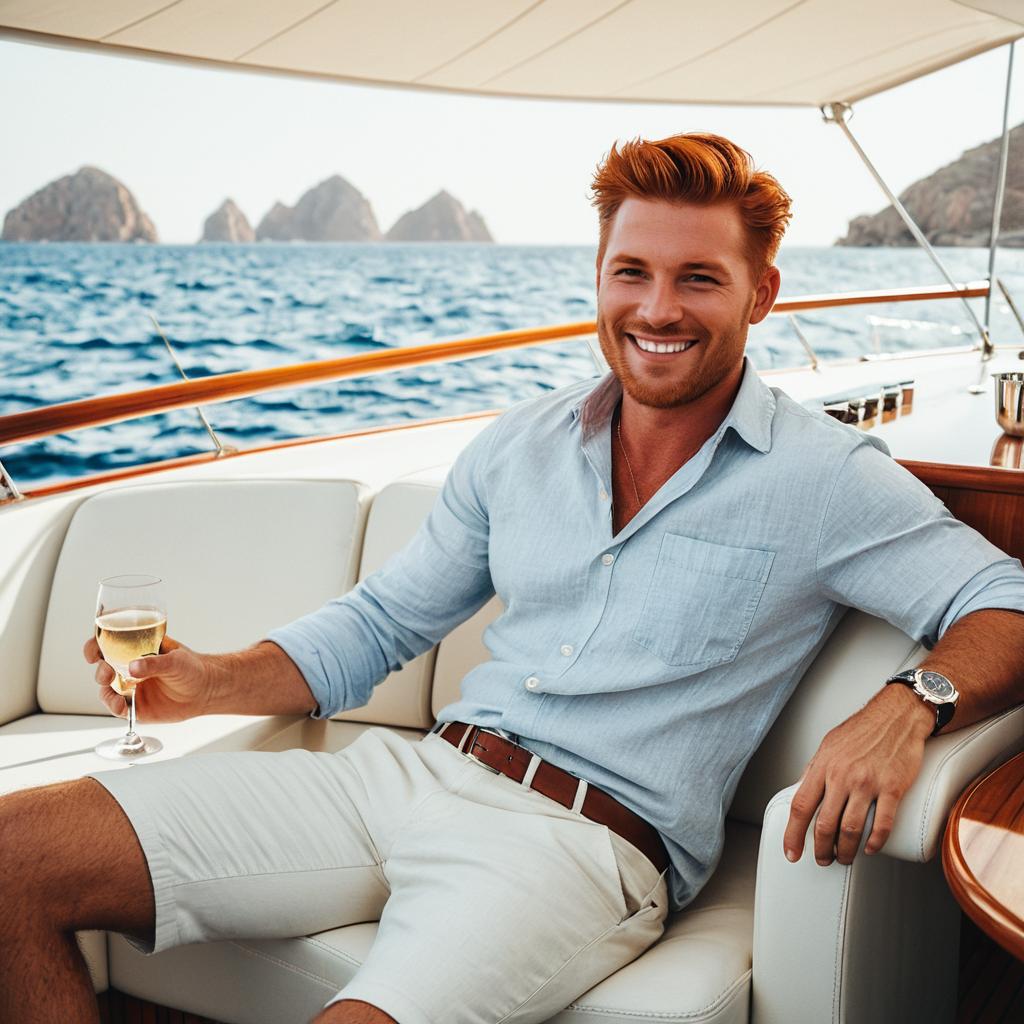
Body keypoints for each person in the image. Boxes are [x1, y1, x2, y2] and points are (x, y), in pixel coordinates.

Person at [4, 132, 1024, 1024]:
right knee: (14, 852)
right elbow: (382, 622)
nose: (657, 308)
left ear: (761, 293)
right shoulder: (519, 445)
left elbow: (1006, 598)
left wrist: (910, 701)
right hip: (415, 773)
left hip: (581, 849)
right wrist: (206, 681)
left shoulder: (825, 478)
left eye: (698, 279)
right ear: (596, 276)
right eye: (631, 272)